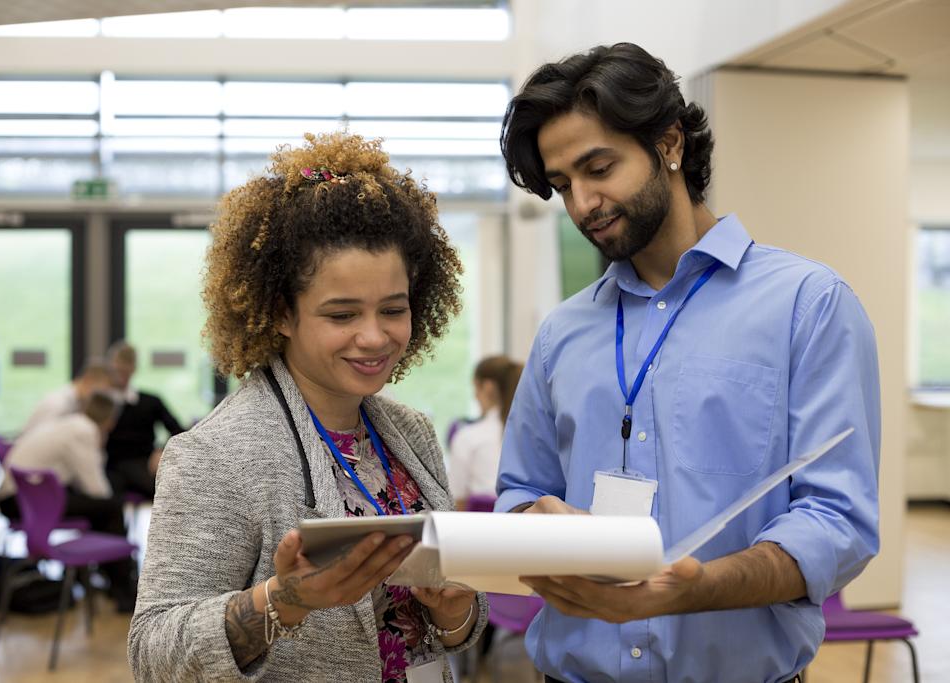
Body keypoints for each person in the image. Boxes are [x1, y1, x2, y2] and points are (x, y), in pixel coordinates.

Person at [495, 43, 880, 683]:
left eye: (599, 168)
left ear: (670, 142)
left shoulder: (808, 305)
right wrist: (535, 519)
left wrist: (692, 588)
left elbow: (836, 522)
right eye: (564, 186)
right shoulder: (562, 332)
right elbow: (521, 493)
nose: (583, 204)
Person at [128, 132, 488, 683]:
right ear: (281, 314)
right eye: (342, 315)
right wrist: (282, 603)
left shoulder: (410, 434)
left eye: (393, 309)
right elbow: (153, 652)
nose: (374, 337)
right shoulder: (216, 455)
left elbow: (449, 628)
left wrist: (453, 610)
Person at [0, 390, 137, 611]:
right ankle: (125, 590)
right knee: (110, 508)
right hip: (27, 502)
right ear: (110, 421)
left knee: (101, 507)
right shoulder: (84, 431)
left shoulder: (71, 423)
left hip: (19, 498)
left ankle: (104, 578)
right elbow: (96, 489)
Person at [104, 340, 185, 499]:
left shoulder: (150, 402)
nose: (121, 376)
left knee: (167, 491)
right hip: (109, 466)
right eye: (118, 370)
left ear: (133, 369)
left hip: (142, 463)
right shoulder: (102, 404)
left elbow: (178, 430)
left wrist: (161, 450)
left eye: (125, 370)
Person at [447, 355, 522, 509]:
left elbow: (456, 501)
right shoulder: (532, 435)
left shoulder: (468, 436)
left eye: (475, 387)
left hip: (479, 529)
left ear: (487, 387)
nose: (475, 396)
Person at [18, 359, 112, 436]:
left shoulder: (76, 403)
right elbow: (43, 440)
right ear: (88, 380)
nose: (99, 399)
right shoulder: (59, 403)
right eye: (100, 391)